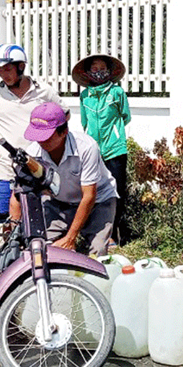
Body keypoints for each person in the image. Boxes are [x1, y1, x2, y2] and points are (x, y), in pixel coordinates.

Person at [0, 43, 68, 223]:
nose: (3, 74)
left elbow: (64, 115)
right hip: (5, 169)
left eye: (7, 69)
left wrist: (53, 145)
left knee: (39, 220)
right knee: (0, 220)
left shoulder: (44, 91)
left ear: (21, 66)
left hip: (38, 168)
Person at [11, 102, 118, 256]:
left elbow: (89, 196)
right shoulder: (32, 153)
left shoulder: (87, 148)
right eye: (37, 136)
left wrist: (70, 238)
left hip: (98, 201)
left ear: (64, 132)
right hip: (58, 202)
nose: (41, 142)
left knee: (97, 251)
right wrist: (14, 234)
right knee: (39, 245)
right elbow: (18, 195)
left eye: (46, 137)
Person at [72, 54, 131, 246]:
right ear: (88, 73)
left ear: (109, 71)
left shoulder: (117, 92)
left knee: (117, 191)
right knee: (93, 190)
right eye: (95, 69)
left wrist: (114, 134)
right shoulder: (85, 96)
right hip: (93, 150)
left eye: (102, 68)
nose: (99, 72)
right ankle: (94, 232)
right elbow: (84, 121)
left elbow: (125, 116)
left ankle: (114, 233)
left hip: (115, 149)